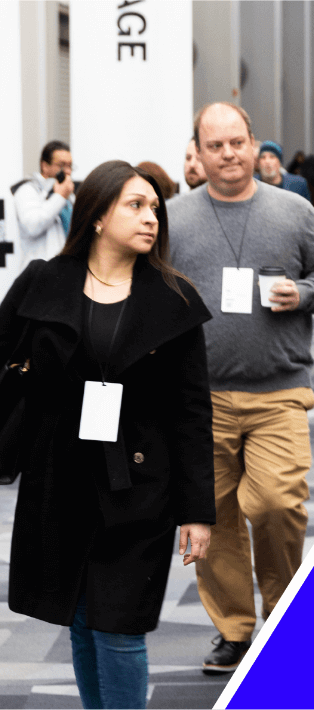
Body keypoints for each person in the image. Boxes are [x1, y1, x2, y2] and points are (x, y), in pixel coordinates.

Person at [1, 161, 214, 709]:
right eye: (135, 205)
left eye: (154, 208)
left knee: (120, 625)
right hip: (59, 477)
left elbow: (192, 413)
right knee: (78, 615)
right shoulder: (43, 282)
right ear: (96, 215)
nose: (151, 218)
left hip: (140, 484)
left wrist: (197, 510)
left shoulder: (175, 299)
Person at [167, 101, 314, 674]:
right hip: (202, 398)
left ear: (253, 142)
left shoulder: (293, 211)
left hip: (279, 393)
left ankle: (286, 614)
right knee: (212, 518)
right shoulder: (174, 218)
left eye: (237, 142)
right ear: (197, 152)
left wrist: (303, 294)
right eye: (215, 146)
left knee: (275, 506)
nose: (228, 155)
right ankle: (236, 631)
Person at [13, 140, 74, 267]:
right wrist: (59, 197)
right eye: (62, 165)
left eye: (70, 166)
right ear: (45, 166)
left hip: (66, 270)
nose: (67, 171)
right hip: (40, 273)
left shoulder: (69, 195)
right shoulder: (28, 190)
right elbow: (32, 225)